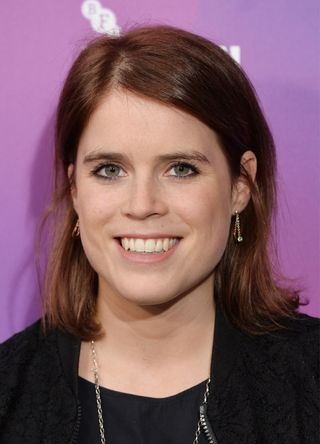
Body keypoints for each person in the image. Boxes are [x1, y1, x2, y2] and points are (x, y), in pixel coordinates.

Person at [0, 25, 319, 444]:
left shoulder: (309, 377)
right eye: (110, 170)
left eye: (181, 169)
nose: (142, 204)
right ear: (75, 189)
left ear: (241, 186)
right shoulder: (10, 390)